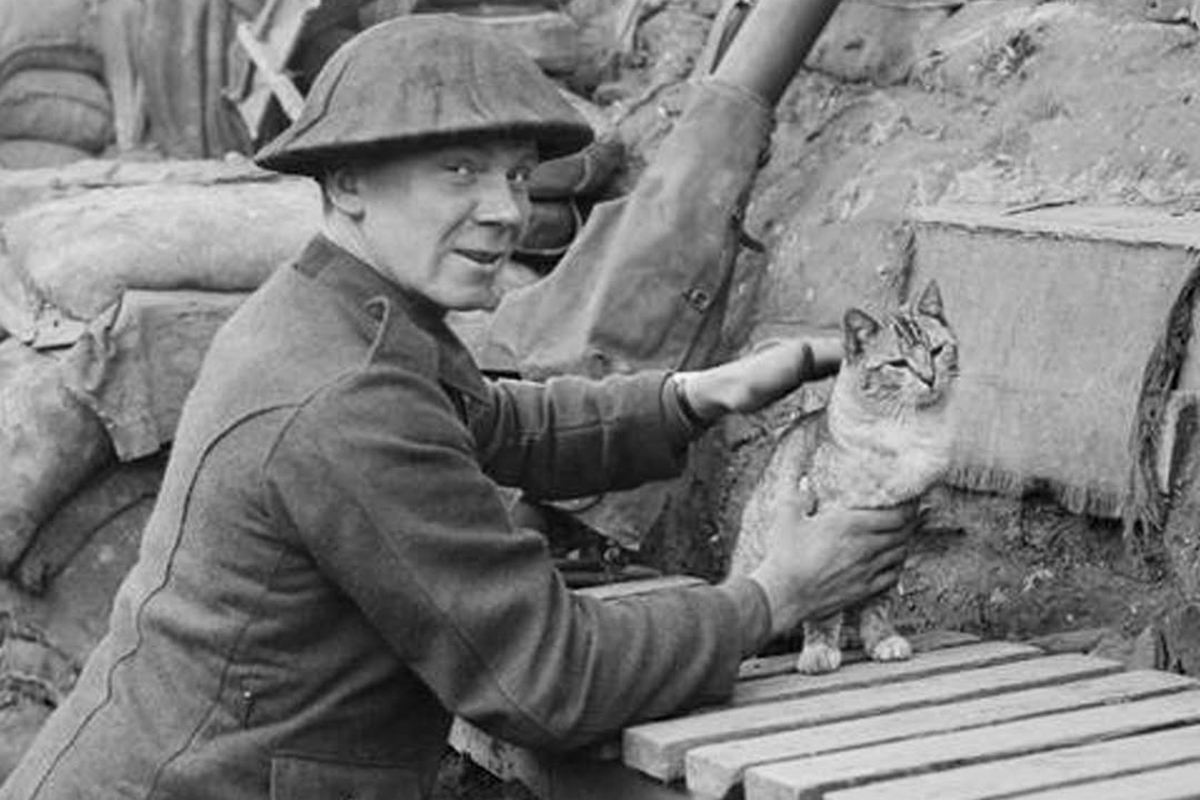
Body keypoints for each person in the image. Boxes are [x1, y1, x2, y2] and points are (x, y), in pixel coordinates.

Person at [1, 15, 915, 800]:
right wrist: (772, 597)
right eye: (459, 169)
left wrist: (694, 396)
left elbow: (491, 425)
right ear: (346, 182)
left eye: (516, 176)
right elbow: (547, 677)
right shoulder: (344, 393)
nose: (504, 211)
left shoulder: (342, 309)